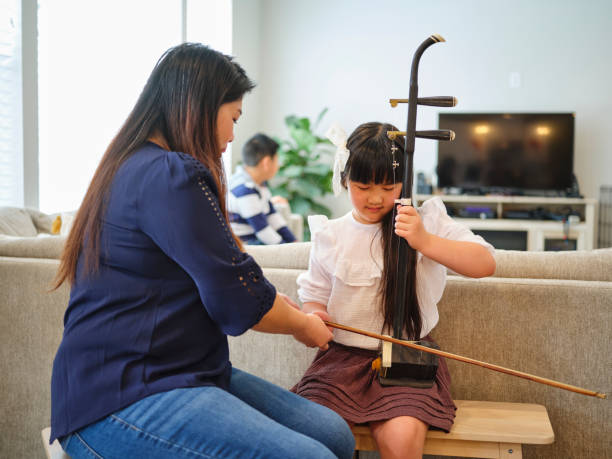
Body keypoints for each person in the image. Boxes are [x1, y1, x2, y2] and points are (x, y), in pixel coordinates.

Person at [49, 43, 354, 459]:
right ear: (199, 106)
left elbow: (222, 276)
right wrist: (302, 325)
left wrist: (272, 302)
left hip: (180, 371)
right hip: (118, 397)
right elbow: (237, 301)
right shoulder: (171, 175)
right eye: (233, 118)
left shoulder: (136, 164)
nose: (232, 135)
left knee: (334, 434)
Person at [292, 122, 496, 459]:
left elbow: (484, 263)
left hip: (407, 359)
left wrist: (424, 241)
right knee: (313, 434)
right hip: (341, 360)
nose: (375, 198)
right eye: (362, 186)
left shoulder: (424, 219)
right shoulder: (330, 234)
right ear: (344, 179)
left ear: (405, 182)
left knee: (401, 441)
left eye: (388, 187)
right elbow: (313, 298)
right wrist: (315, 317)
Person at [228, 133, 296, 244]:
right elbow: (263, 231)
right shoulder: (244, 189)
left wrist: (293, 241)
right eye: (277, 160)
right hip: (244, 245)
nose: (278, 165)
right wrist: (288, 249)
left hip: (255, 239)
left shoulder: (259, 185)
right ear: (267, 162)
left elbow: (273, 216)